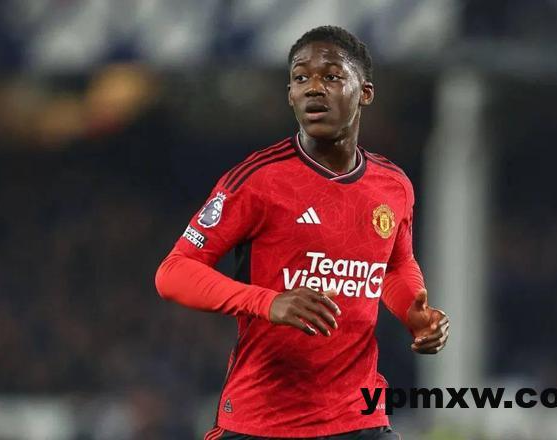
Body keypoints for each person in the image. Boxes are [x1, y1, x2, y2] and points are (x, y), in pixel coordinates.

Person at [155, 25, 449, 440]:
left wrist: (414, 313)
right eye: (300, 78)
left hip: (358, 418)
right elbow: (173, 273)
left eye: (331, 76)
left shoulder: (393, 185)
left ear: (365, 92)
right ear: (290, 95)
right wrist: (268, 302)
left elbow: (394, 265)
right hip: (264, 421)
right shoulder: (258, 180)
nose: (313, 88)